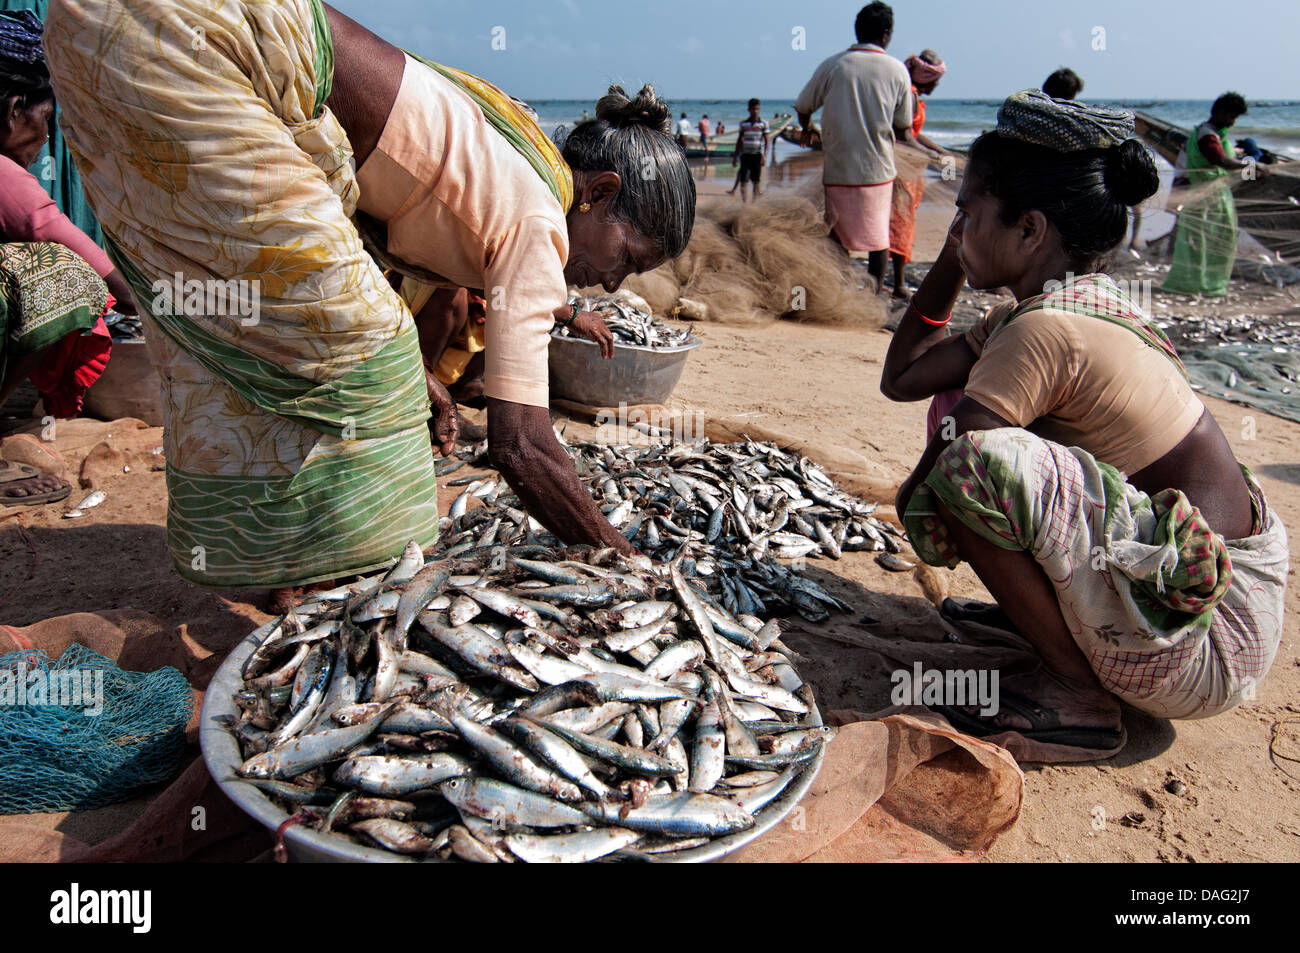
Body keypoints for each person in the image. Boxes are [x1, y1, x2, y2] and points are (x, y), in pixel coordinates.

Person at [44, 0, 695, 597]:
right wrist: (628, 565)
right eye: (627, 259)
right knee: (370, 353)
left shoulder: (511, 168)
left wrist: (420, 376)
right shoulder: (538, 220)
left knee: (258, 330)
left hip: (105, 30)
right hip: (194, 43)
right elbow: (520, 445)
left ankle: (282, 566)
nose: (612, 283)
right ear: (602, 191)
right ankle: (356, 585)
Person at [881, 91, 1287, 747]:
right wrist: (958, 258)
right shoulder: (1072, 306)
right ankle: (1062, 627)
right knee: (960, 413)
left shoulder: (1046, 330)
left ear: (1030, 230)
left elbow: (928, 491)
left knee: (967, 465)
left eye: (967, 212)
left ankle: (1079, 693)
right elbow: (904, 377)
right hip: (1197, 602)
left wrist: (942, 517)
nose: (957, 229)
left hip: (1203, 634)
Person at [0, 8, 138, 507]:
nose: (44, 140)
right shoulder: (4, 177)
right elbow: (110, 280)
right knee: (66, 278)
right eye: (45, 120)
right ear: (15, 110)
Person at [795, 2, 914, 291]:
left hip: (838, 170)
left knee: (837, 234)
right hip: (878, 170)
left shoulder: (834, 65)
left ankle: (841, 289)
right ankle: (873, 292)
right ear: (886, 35)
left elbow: (803, 106)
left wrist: (808, 127)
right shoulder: (897, 70)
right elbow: (903, 126)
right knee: (878, 238)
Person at [1162, 92, 1260, 297]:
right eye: (1231, 116)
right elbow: (1221, 161)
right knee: (1210, 239)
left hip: (1208, 195)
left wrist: (1250, 167)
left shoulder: (1210, 132)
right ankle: (1202, 284)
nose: (1232, 122)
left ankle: (1205, 283)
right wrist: (1254, 166)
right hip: (1208, 197)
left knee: (1205, 238)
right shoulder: (1207, 135)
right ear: (1220, 112)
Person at [887, 49, 949, 299]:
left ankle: (891, 279)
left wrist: (938, 149)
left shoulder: (912, 96)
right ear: (924, 78)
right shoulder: (910, 97)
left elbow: (914, 132)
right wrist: (932, 155)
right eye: (935, 79)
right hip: (903, 168)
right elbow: (904, 136)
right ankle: (899, 285)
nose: (937, 84)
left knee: (898, 220)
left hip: (908, 166)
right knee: (901, 222)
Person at [727, 98, 769, 202]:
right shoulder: (744, 124)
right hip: (746, 156)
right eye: (753, 109)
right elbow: (739, 141)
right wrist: (735, 157)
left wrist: (765, 156)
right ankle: (745, 204)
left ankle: (754, 204)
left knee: (756, 183)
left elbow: (767, 141)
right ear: (749, 110)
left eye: (757, 109)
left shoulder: (763, 124)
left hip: (757, 156)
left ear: (759, 110)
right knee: (743, 182)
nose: (755, 111)